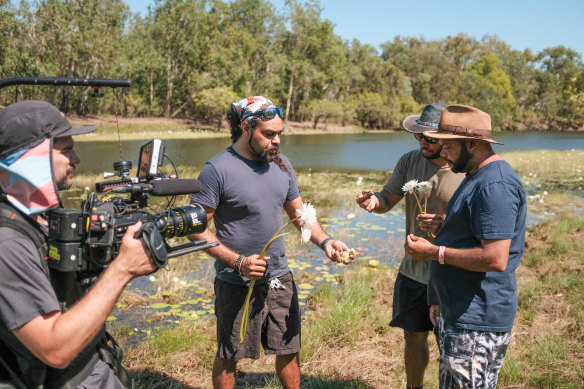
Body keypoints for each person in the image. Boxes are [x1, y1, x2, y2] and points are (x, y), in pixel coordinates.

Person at [189, 96, 353, 389]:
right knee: (229, 354)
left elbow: (299, 215)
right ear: (246, 127)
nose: (277, 141)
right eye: (269, 134)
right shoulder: (217, 169)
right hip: (235, 282)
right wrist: (237, 262)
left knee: (289, 350)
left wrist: (325, 241)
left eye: (279, 134)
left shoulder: (282, 165)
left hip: (280, 277)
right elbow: (196, 228)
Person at [0, 100, 157, 388]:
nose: (77, 159)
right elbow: (54, 348)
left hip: (91, 367)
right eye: (66, 149)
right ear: (33, 158)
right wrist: (122, 269)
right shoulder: (7, 241)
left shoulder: (34, 213)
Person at [405, 104, 527, 388]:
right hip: (459, 311)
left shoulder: (494, 184)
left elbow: (496, 257)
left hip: (477, 321)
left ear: (473, 143)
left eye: (448, 146)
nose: (442, 153)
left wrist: (435, 252)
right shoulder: (475, 177)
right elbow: (474, 233)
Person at [355, 103, 464, 388]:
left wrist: (444, 224)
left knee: (449, 341)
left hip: (450, 270)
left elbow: (476, 226)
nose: (423, 143)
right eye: (419, 136)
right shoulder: (409, 161)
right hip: (413, 271)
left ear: (449, 139)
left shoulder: (465, 171)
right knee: (413, 336)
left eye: (430, 138)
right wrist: (372, 202)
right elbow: (388, 198)